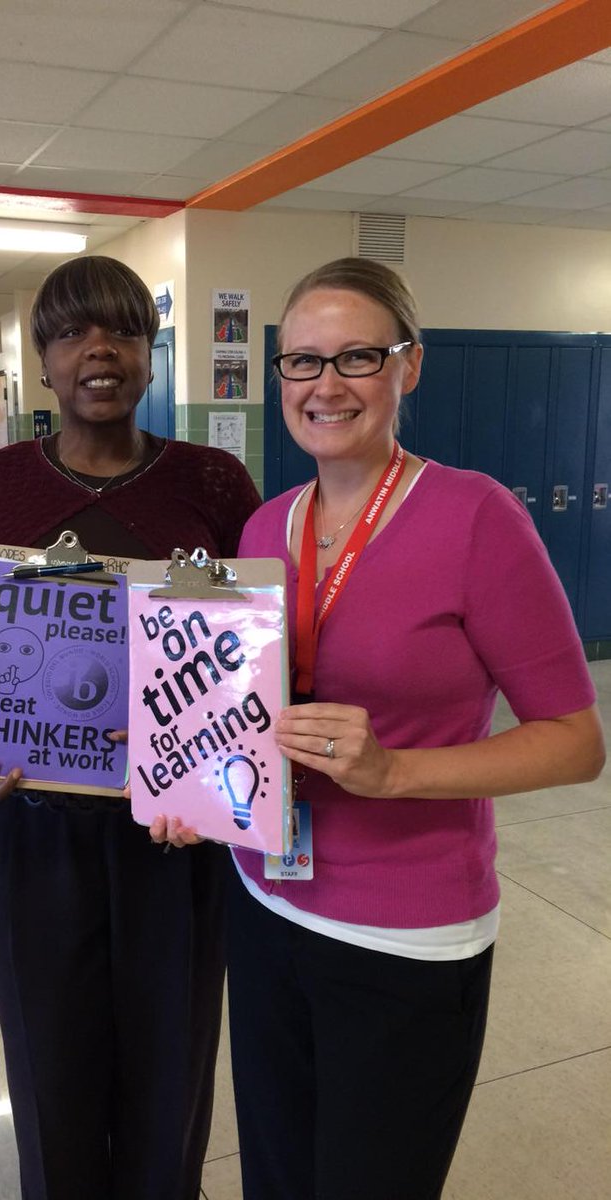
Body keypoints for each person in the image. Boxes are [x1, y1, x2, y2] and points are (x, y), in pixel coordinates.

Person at [151, 257, 605, 1200]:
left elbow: (573, 738)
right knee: (277, 1174)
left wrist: (393, 771)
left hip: (405, 931)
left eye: (357, 356)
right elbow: (240, 714)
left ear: (410, 367)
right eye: (301, 361)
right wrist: (193, 787)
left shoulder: (476, 516)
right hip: (267, 903)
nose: (325, 385)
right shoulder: (263, 529)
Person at [0, 255, 261, 1200]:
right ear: (45, 361)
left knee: (171, 1079)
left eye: (124, 331)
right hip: (31, 838)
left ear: (151, 354)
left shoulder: (215, 484)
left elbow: (256, 658)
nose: (99, 351)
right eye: (72, 333)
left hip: (175, 842)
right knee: (50, 1075)